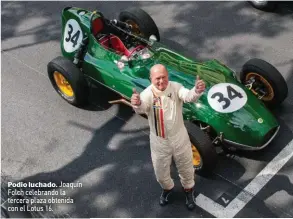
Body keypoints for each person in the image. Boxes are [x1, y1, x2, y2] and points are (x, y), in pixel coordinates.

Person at [131, 64, 206, 210]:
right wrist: (137, 103)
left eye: (163, 77)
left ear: (168, 76)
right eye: (157, 78)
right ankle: (167, 188)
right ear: (150, 79)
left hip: (180, 137)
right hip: (159, 141)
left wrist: (196, 91)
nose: (161, 81)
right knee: (160, 172)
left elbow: (188, 96)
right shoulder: (146, 94)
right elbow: (141, 107)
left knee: (186, 167)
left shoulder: (176, 87)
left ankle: (189, 190)